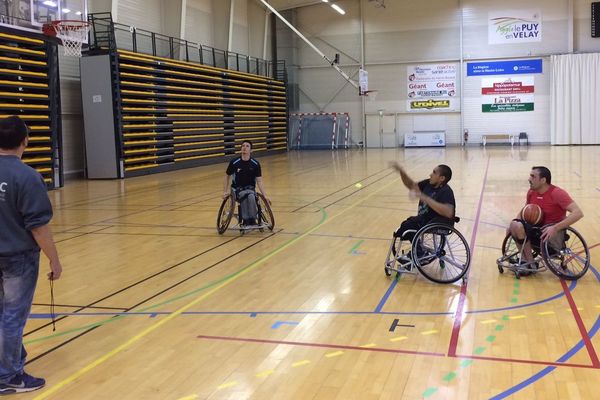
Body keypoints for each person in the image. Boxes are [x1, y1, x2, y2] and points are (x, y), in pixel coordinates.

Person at [0, 116, 62, 394]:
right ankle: (8, 376)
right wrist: (55, 259)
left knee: (3, 313)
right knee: (13, 315)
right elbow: (38, 227)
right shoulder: (27, 177)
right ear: (25, 140)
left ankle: (12, 358)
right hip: (17, 257)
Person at [508, 166, 583, 268]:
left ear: (543, 180)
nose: (529, 179)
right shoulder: (531, 192)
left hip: (551, 236)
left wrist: (555, 227)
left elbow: (578, 213)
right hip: (535, 231)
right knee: (514, 225)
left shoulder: (557, 193)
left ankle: (529, 262)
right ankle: (527, 261)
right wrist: (514, 224)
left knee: (516, 226)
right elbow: (525, 211)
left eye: (533, 176)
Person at [390, 162, 456, 244]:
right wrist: (402, 172)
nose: (430, 174)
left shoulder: (446, 191)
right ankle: (418, 250)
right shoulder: (428, 183)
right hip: (425, 220)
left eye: (434, 173)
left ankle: (419, 251)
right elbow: (412, 186)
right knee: (407, 224)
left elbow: (448, 212)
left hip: (437, 223)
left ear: (442, 178)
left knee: (408, 226)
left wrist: (424, 197)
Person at [222, 140, 271, 226]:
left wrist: (265, 195)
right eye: (243, 146)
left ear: (251, 150)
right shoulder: (234, 162)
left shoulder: (255, 164)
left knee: (251, 196)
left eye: (247, 146)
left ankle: (251, 219)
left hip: (250, 189)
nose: (244, 147)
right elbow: (227, 176)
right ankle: (247, 219)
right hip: (236, 189)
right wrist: (225, 191)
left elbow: (259, 181)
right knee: (244, 196)